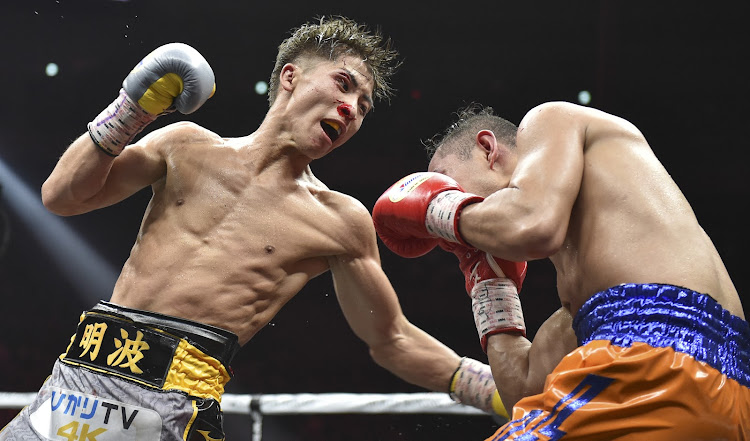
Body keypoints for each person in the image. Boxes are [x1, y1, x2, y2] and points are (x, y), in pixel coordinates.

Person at [0, 18, 503, 441]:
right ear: (290, 77)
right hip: (80, 375)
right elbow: (62, 196)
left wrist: (498, 389)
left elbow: (391, 338)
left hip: (177, 399)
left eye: (364, 107)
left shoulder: (339, 220)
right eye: (344, 84)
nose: (351, 109)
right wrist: (132, 110)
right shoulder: (185, 145)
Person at [372, 102, 750, 439]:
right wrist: (488, 284)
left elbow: (531, 226)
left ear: (488, 149)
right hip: (725, 397)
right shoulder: (589, 286)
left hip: (654, 365)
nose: (441, 191)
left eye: (444, 179)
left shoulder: (552, 118)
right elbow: (525, 392)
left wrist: (440, 209)